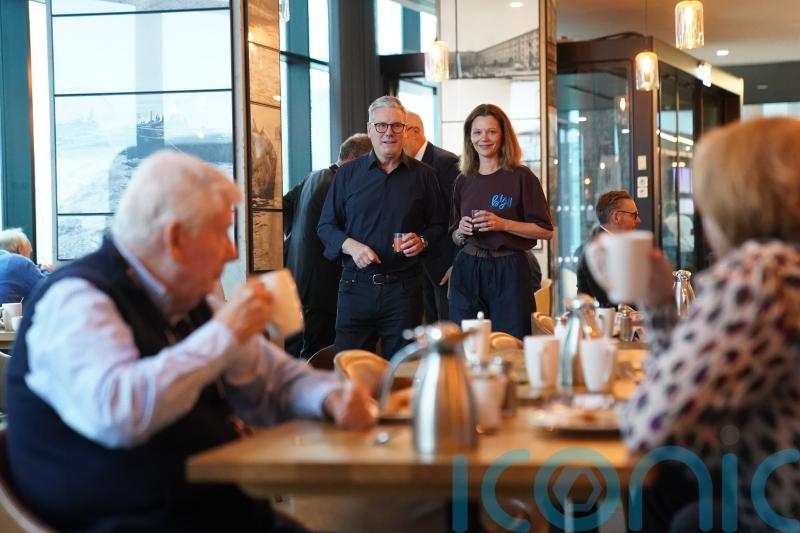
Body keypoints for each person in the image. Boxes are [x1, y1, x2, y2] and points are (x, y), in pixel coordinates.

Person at [5, 150, 374, 532]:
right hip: (131, 521)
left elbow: (271, 377)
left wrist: (329, 397)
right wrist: (225, 333)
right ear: (175, 239)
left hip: (215, 512)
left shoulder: (188, 303)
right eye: (221, 233)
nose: (232, 252)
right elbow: (121, 413)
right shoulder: (78, 301)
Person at [618, 117, 800, 532]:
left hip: (775, 510)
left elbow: (653, 429)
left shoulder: (763, 275)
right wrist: (661, 307)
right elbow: (695, 402)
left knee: (653, 493)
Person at [318, 96, 446, 359]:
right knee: (351, 372)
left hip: (404, 291)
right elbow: (326, 226)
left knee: (402, 374)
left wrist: (422, 241)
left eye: (396, 126)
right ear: (369, 129)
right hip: (355, 288)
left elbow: (438, 225)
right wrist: (351, 246)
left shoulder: (425, 175)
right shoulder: (347, 175)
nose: (389, 132)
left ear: (405, 130)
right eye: (381, 126)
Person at [449, 103, 553, 339]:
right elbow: (454, 234)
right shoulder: (463, 180)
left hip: (510, 269)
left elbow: (546, 231)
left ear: (503, 135)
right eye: (477, 132)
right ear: (469, 137)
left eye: (491, 131)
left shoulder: (521, 176)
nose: (483, 138)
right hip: (468, 268)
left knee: (512, 340)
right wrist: (461, 231)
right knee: (467, 343)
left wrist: (502, 224)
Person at [283, 133, 372, 359]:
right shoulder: (338, 185)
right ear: (352, 159)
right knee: (318, 353)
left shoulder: (312, 177)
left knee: (294, 350)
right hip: (323, 286)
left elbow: (284, 207)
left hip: (295, 279)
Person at [402, 111, 460, 323]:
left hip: (444, 264)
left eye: (399, 128)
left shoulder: (447, 163)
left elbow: (457, 215)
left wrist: (457, 263)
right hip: (416, 265)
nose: (393, 135)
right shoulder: (403, 165)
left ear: (414, 131)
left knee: (447, 328)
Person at [575, 190, 640, 308]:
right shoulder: (597, 250)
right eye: (634, 215)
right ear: (617, 217)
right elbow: (613, 301)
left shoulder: (612, 244)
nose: (638, 220)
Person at [0, 228, 50, 304]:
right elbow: (50, 289)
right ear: (20, 249)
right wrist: (45, 270)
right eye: (29, 252)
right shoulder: (18, 260)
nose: (29, 258)